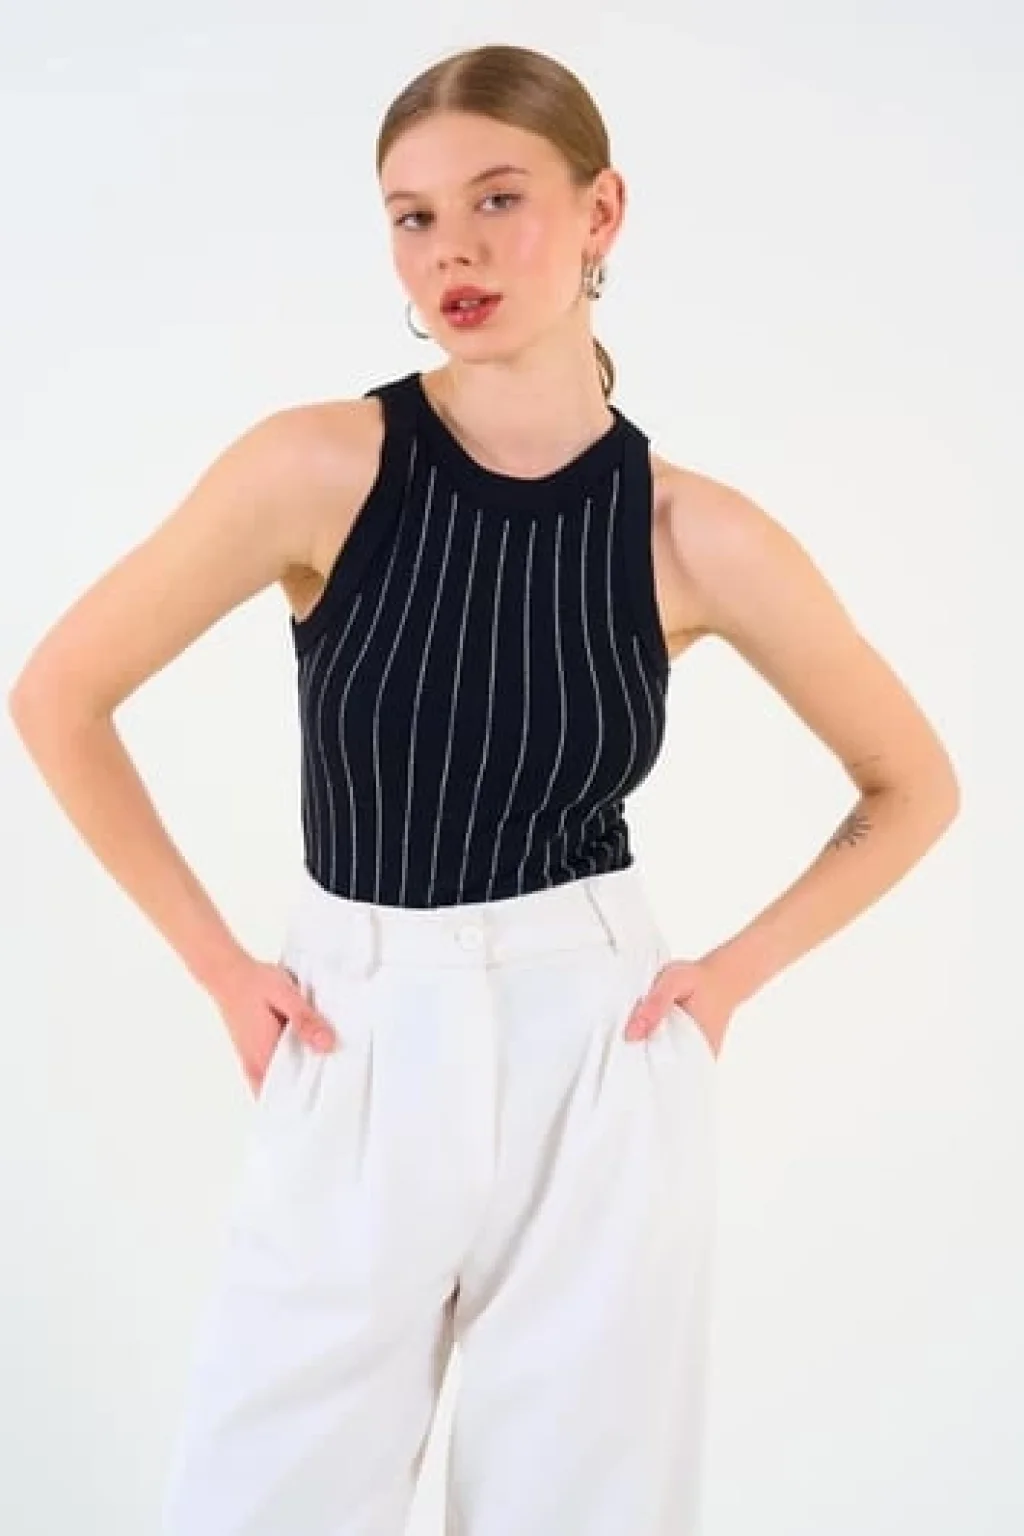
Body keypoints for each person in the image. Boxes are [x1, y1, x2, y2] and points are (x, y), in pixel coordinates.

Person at [8, 41, 960, 1536]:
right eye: (413, 215)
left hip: (598, 1048)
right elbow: (58, 694)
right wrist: (219, 967)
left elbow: (912, 784)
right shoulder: (318, 466)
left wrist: (724, 981)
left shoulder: (693, 534)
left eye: (497, 199)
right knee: (257, 1498)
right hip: (356, 1023)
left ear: (601, 213)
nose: (451, 248)